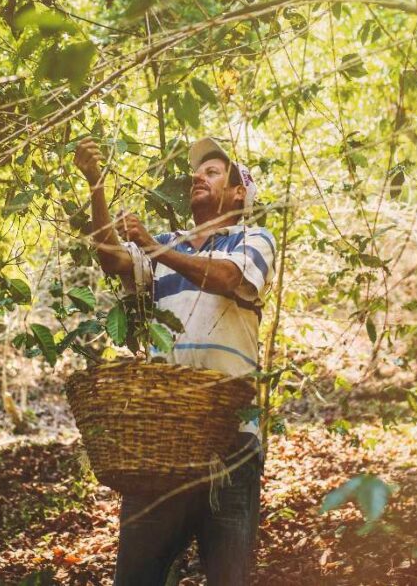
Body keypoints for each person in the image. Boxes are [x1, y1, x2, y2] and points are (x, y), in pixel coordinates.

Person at [74, 136, 276, 586]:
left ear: (239, 192)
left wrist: (155, 246)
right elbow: (113, 261)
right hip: (162, 441)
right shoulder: (166, 244)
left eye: (213, 171)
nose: (198, 176)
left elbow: (227, 278)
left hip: (232, 443)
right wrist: (97, 186)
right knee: (135, 578)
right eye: (197, 172)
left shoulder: (253, 240)